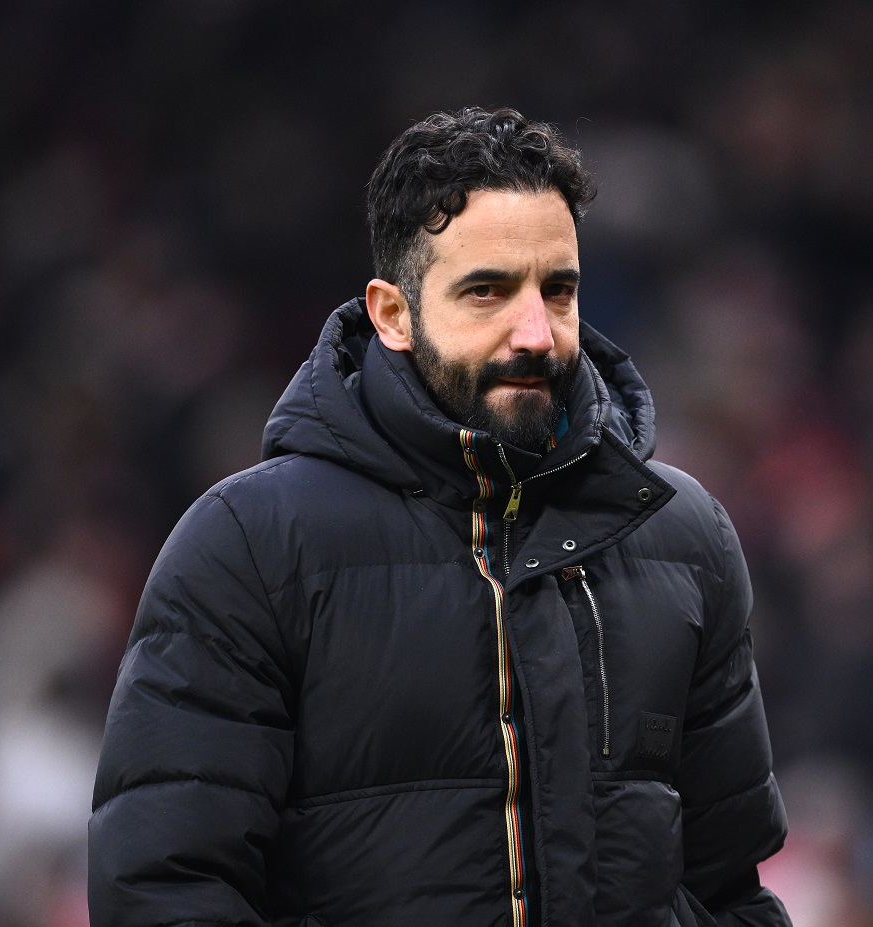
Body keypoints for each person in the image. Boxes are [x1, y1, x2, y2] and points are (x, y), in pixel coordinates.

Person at [88, 106, 790, 927]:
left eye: (557, 290)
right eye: (486, 291)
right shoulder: (247, 546)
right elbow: (166, 892)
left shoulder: (683, 534)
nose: (535, 332)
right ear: (392, 312)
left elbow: (730, 890)